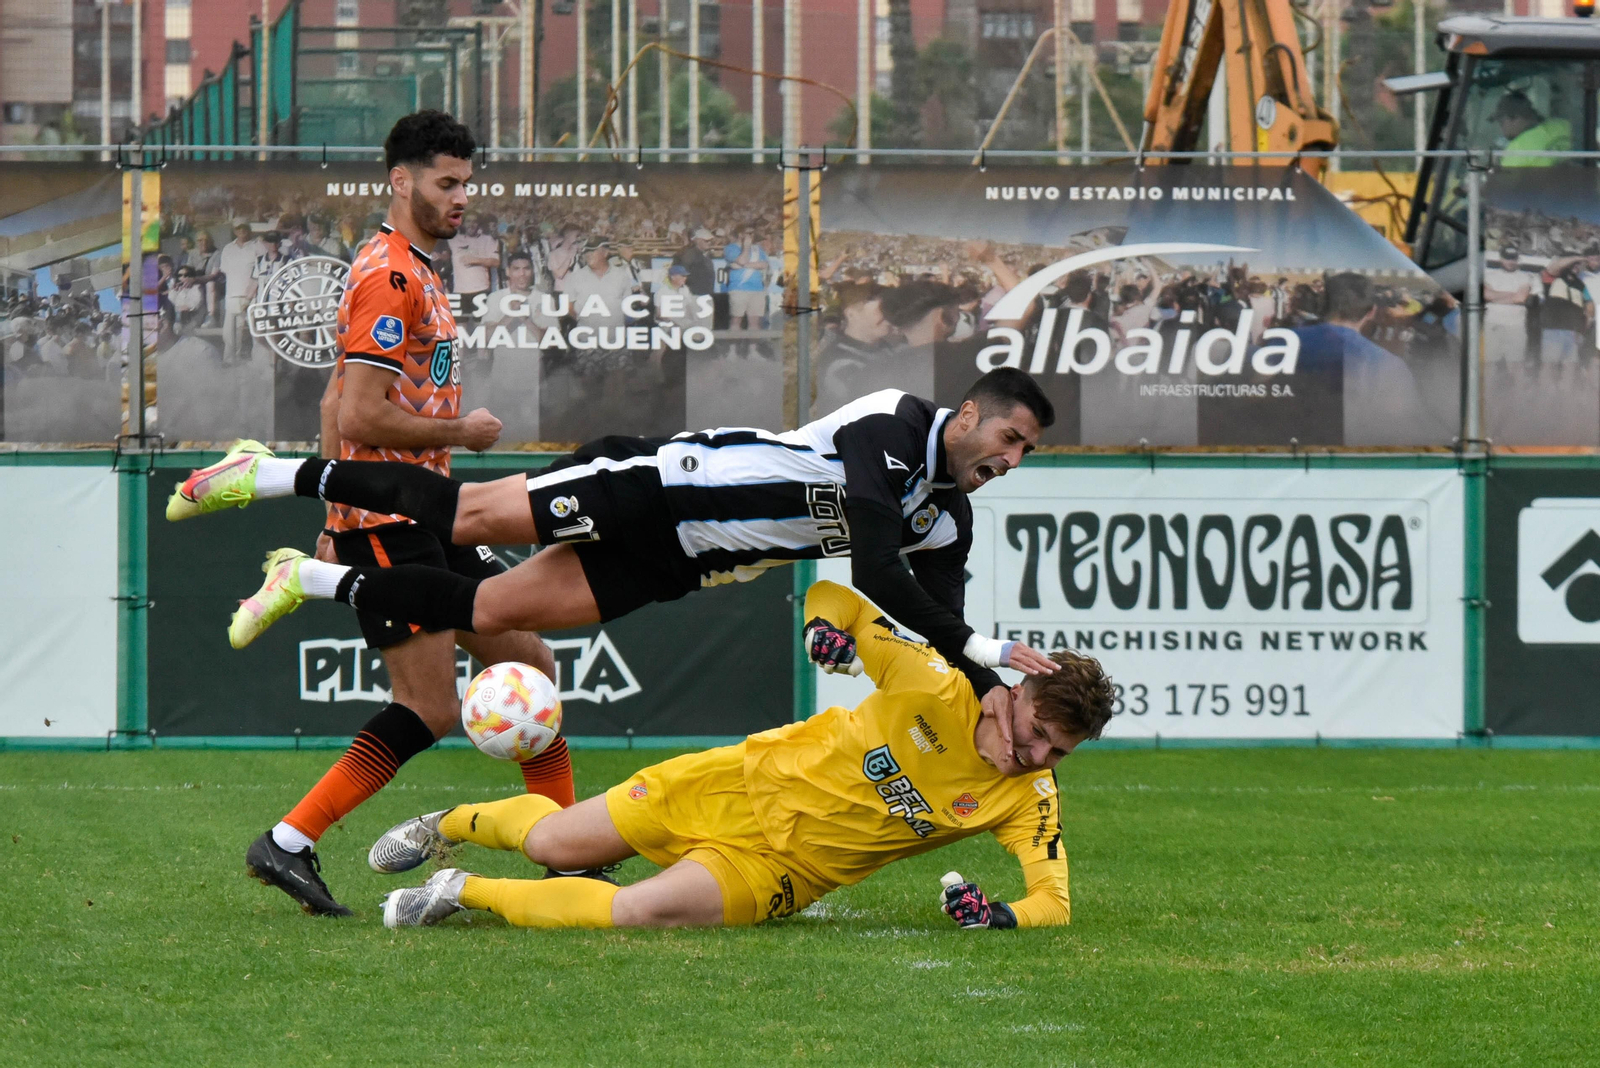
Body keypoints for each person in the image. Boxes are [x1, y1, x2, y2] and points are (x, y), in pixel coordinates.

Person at [169, 368, 1063, 755]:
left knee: (487, 614)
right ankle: (274, 469)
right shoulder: (896, 423)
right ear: (968, 413)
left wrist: (999, 696)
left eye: (1026, 454)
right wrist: (984, 650)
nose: (1010, 461)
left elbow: (936, 617)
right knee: (467, 510)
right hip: (655, 487)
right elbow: (874, 569)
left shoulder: (945, 522)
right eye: (1009, 438)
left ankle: (305, 577)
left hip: (682, 562)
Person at [169, 110, 561, 918]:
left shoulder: (417, 268)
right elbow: (361, 418)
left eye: (466, 184)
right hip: (392, 522)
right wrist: (460, 432)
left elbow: (330, 399)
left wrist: (332, 510)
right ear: (401, 180)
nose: (461, 199)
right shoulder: (389, 274)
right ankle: (287, 842)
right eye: (446, 183)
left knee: (530, 664)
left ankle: (564, 852)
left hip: (427, 514)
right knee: (431, 707)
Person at [373, 580, 1113, 931]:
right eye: (1040, 731)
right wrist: (826, 631)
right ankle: (456, 821)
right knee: (551, 842)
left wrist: (1002, 917)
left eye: (1059, 751)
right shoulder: (932, 683)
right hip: (729, 782)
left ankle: (460, 892)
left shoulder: (1028, 798)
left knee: (637, 912)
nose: (1038, 755)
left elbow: (1055, 900)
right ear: (1016, 693)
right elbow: (837, 597)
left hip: (783, 869)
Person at [1290, 272, 1435, 446]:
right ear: (1372, 312)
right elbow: (1401, 427)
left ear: (1322, 304)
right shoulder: (1389, 365)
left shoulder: (1282, 343)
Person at [1539, 252, 1593, 370]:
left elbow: (1589, 305)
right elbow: (1554, 267)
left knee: (1570, 367)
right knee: (1549, 366)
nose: (1576, 266)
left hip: (1573, 331)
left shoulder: (1581, 285)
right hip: (1553, 328)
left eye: (1578, 264)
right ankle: (1546, 389)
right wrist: (1579, 257)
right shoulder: (1553, 277)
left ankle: (1566, 389)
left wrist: (1584, 327)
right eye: (1573, 263)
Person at [219, 221, 261, 361]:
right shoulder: (227, 249)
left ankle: (258, 362)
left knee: (256, 332)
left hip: (253, 295)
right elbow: (224, 270)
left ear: (249, 229)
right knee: (229, 334)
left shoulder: (257, 245)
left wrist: (251, 291)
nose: (242, 230)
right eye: (238, 228)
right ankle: (230, 362)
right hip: (232, 295)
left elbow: (262, 270)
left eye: (244, 227)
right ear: (235, 230)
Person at [1483, 246, 1532, 365]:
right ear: (1501, 259)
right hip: (1493, 324)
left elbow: (1520, 298)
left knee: (1516, 365)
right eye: (1507, 258)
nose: (1510, 262)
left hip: (1516, 326)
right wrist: (1513, 296)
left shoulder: (1525, 277)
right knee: (1490, 364)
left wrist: (1496, 297)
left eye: (1513, 259)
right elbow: (1486, 295)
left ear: (1517, 260)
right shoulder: (1489, 276)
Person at [1494, 92, 1571, 168]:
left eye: (1501, 123)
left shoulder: (1517, 150)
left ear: (1516, 118)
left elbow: (1506, 179)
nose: (1502, 129)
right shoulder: (1562, 124)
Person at [723, 229, 770, 331]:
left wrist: (742, 265)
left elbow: (764, 264)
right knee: (736, 320)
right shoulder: (731, 248)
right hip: (738, 288)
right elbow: (742, 260)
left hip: (757, 289)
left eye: (753, 233)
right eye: (748, 233)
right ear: (740, 234)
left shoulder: (757, 249)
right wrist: (747, 247)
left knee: (754, 323)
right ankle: (733, 346)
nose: (751, 235)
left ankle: (753, 347)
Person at [672, 227, 717, 298]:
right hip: (694, 294)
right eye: (706, 240)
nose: (709, 243)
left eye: (711, 240)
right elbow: (683, 272)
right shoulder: (690, 254)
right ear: (698, 240)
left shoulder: (706, 254)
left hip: (705, 293)